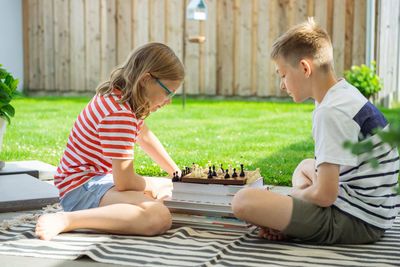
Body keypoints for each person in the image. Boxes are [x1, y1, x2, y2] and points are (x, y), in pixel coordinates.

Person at [232, 18, 400, 244]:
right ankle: (293, 222)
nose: (282, 85)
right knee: (304, 167)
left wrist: (292, 197)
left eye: (282, 74)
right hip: (377, 211)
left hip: (357, 220)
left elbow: (325, 195)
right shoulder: (343, 94)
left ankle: (294, 224)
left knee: (243, 201)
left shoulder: (331, 111)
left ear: (304, 68)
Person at [35, 43, 184, 241]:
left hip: (92, 182)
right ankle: (67, 220)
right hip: (80, 188)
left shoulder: (122, 98)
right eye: (168, 92)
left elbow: (145, 138)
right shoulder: (118, 113)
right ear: (146, 79)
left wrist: (175, 174)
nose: (169, 101)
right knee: (158, 217)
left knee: (161, 199)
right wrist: (153, 184)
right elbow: (124, 182)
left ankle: (78, 217)